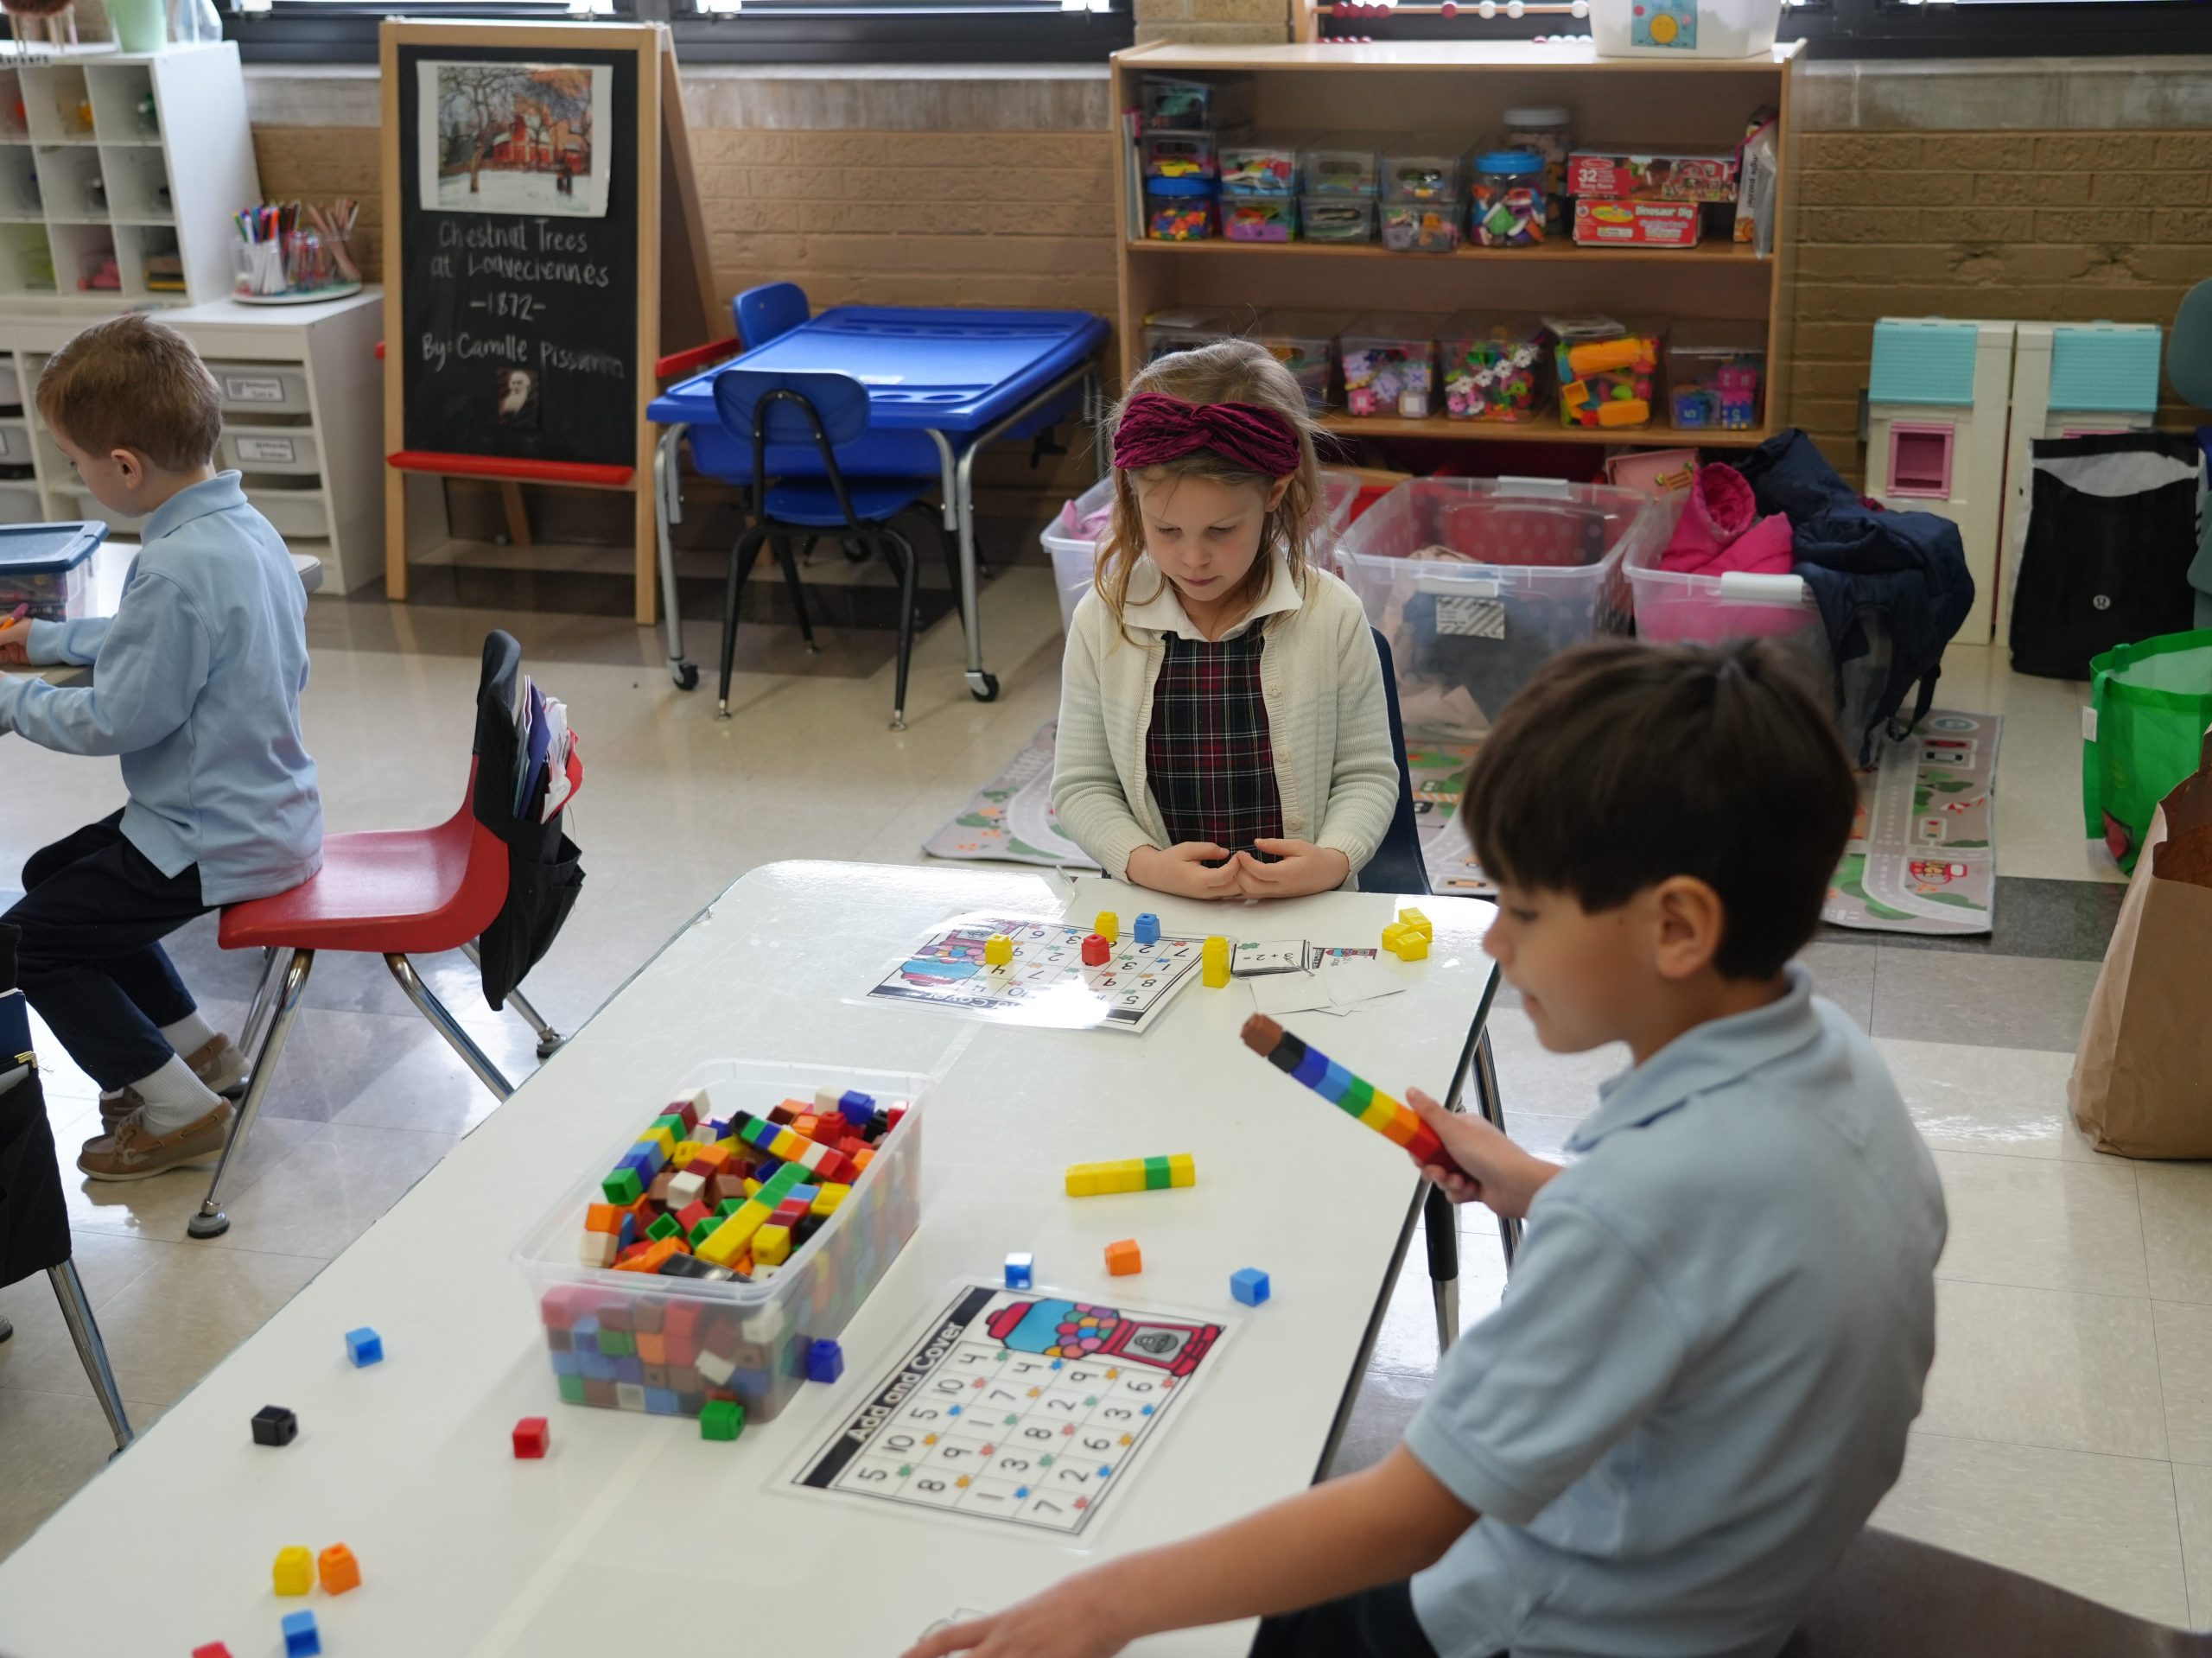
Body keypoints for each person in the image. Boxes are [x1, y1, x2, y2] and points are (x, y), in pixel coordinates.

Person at [911, 638, 1948, 1658]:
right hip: (1731, 1576)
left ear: (1677, 926)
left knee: (1219, 1608)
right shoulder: (1840, 1068)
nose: (1494, 939)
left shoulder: (1636, 1210)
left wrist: (1103, 1605)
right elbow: (1741, 1249)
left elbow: (1413, 1517)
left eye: (1525, 909)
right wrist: (1537, 1184)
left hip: (1567, 1623)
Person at [0, 314, 321, 1182]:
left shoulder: (176, 564)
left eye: (76, 460)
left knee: (28, 942)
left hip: (212, 832)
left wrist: (13, 698)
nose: (78, 475)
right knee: (55, 874)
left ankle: (180, 1110)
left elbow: (116, 719)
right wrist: (50, 641)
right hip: (257, 804)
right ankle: (194, 1047)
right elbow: (156, 637)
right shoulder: (236, 528)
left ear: (126, 466)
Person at [1052, 340, 1397, 902]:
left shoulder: (1332, 615)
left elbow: (1367, 774)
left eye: (1220, 531)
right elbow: (1082, 784)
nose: (1193, 558)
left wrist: (1333, 861)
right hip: (1159, 909)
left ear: (1275, 492)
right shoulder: (1103, 619)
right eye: (1167, 530)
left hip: (1301, 910)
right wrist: (1147, 866)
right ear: (1132, 495)